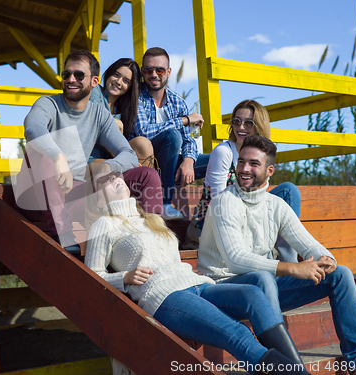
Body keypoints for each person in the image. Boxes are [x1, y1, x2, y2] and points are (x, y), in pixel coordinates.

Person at [84, 169, 312, 375]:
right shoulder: (104, 225)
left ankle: (296, 370)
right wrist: (124, 277)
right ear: (96, 198)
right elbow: (91, 276)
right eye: (105, 179)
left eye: (116, 174)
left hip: (196, 283)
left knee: (253, 295)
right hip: (165, 295)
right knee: (238, 333)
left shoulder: (153, 219)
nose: (115, 178)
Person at [197, 135, 356, 375]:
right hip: (223, 288)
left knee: (341, 274)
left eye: (253, 164)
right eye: (241, 162)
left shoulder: (275, 205)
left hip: (265, 287)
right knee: (262, 279)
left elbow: (308, 244)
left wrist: (326, 259)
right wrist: (292, 268)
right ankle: (290, 368)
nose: (244, 169)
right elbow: (235, 258)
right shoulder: (223, 202)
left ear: (269, 170)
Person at [13, 50, 163, 255]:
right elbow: (33, 128)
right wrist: (58, 156)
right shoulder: (48, 104)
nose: (71, 79)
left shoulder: (98, 113)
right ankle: (64, 234)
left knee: (147, 175)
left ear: (94, 81)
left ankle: (156, 236)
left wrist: (108, 166)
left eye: (79, 75)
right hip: (36, 197)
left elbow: (127, 153)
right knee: (39, 150)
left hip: (73, 195)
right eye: (66, 74)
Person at [184, 99, 301, 258]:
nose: (240, 127)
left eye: (248, 123)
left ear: (259, 126)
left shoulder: (262, 155)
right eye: (236, 121)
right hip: (212, 224)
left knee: (289, 191)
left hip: (247, 220)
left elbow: (260, 197)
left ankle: (288, 262)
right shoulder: (224, 152)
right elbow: (220, 202)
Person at [131, 47, 210, 220]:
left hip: (172, 164)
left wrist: (189, 161)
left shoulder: (177, 101)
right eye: (148, 69)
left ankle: (208, 214)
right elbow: (144, 132)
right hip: (145, 164)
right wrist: (184, 120)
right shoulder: (135, 96)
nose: (153, 74)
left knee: (216, 158)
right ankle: (165, 204)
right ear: (142, 71)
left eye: (159, 70)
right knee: (172, 135)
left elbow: (188, 140)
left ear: (168, 72)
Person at [89, 58, 156, 169]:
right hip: (92, 157)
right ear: (109, 73)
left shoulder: (125, 111)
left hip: (114, 158)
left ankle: (148, 181)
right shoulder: (95, 90)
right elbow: (101, 121)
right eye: (116, 75)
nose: (119, 82)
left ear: (130, 87)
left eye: (126, 81)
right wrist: (128, 159)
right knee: (117, 124)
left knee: (143, 143)